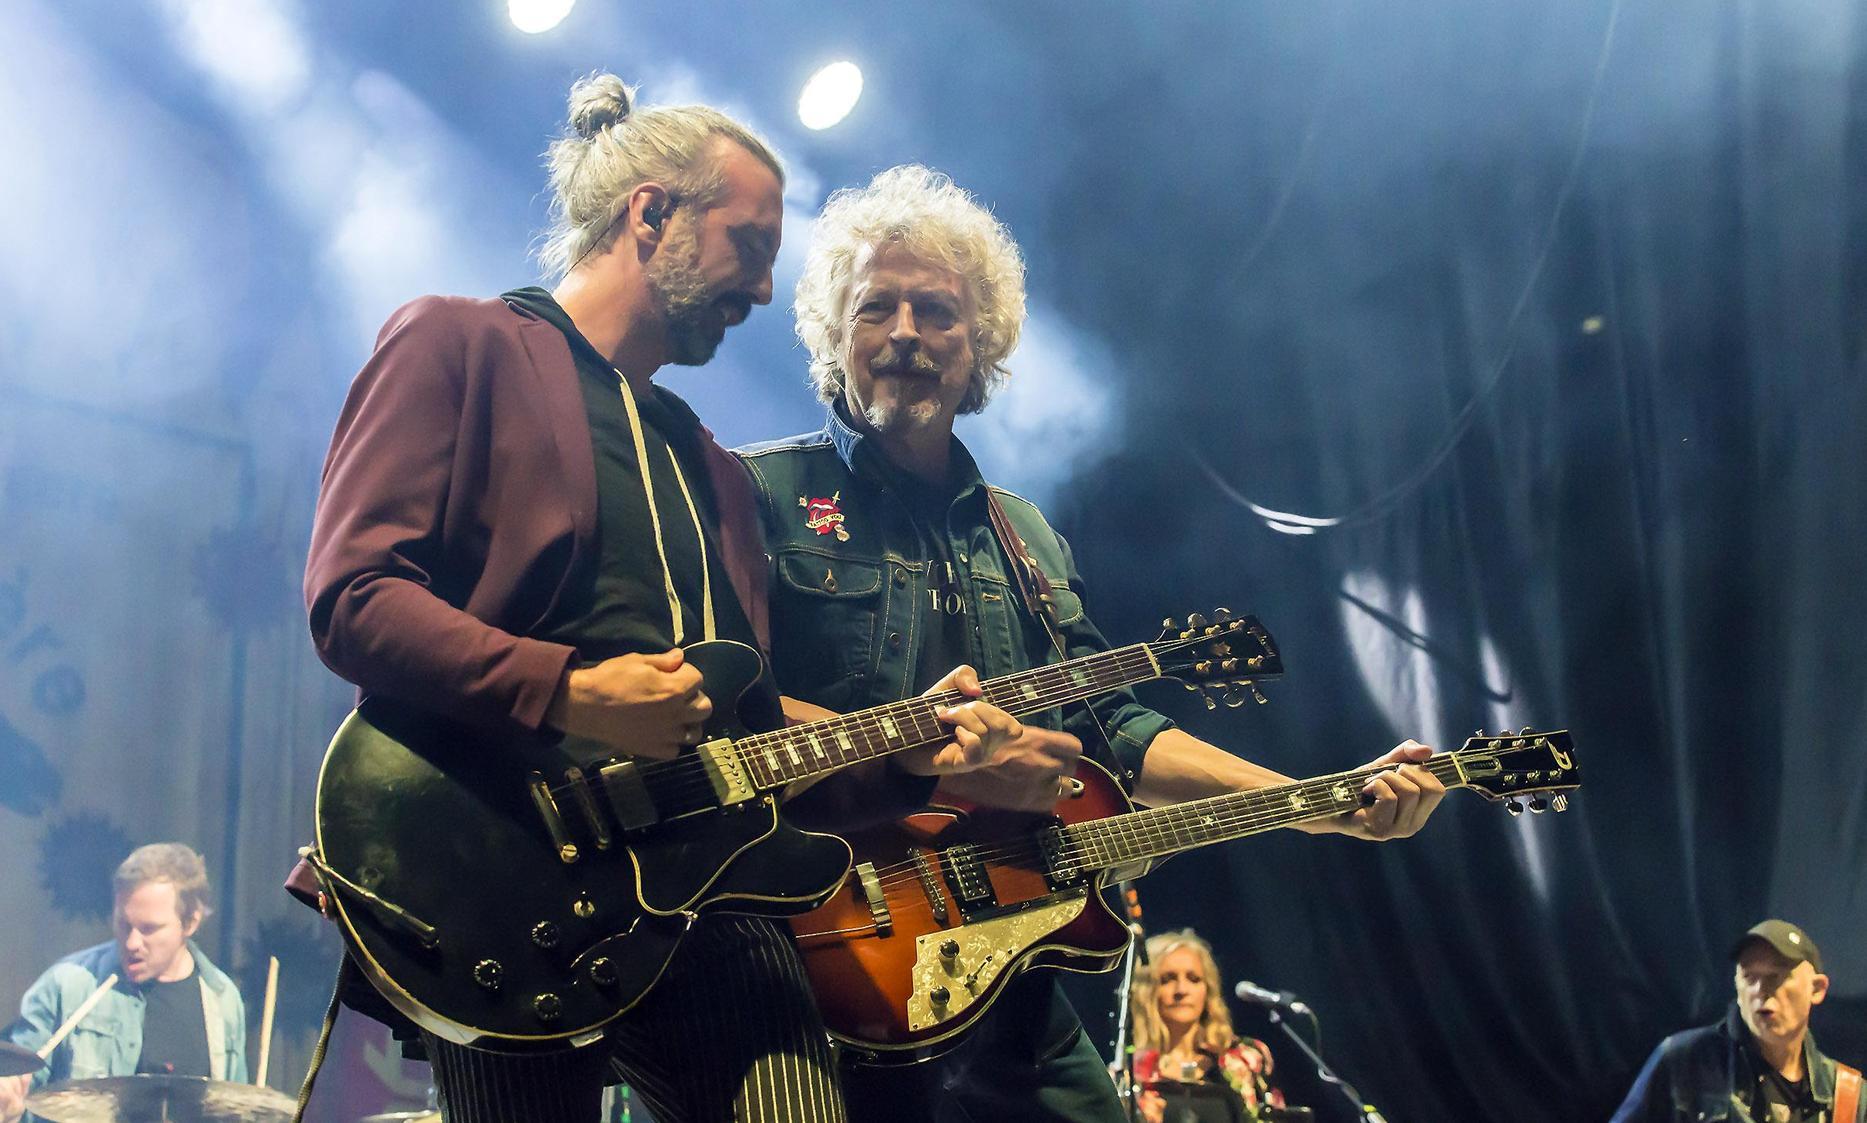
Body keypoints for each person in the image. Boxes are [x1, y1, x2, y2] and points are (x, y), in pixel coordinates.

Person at [299, 77, 1019, 1123]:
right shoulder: (459, 343)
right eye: (750, 246)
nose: (763, 290)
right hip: (495, 880)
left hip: (708, 902)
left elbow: (751, 738)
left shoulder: (713, 468)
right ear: (651, 214)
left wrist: (907, 754)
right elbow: (352, 597)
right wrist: (568, 689)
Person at [735, 164, 1446, 1123]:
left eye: (936, 311)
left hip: (1007, 974)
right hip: (817, 955)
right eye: (876, 307)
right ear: (834, 332)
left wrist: (1312, 805)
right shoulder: (756, 494)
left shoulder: (1026, 537)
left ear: (979, 344)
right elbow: (725, 711)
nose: (905, 332)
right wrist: (919, 759)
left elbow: (1114, 729)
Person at [0, 844, 246, 1123]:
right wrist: (10, 1104)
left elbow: (237, 1109)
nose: (132, 943)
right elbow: (20, 1085)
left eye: (149, 929)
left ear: (190, 923)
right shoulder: (67, 984)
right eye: (124, 924)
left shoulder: (223, 999)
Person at [1611, 919, 1863, 1123]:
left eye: (1776, 976)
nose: (1760, 990)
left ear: (1816, 989)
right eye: (1749, 976)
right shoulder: (1684, 1063)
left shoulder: (1847, 1095)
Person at [1130, 929, 1286, 1123]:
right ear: (1147, 991)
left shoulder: (1247, 1058)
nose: (1182, 990)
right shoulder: (1130, 1073)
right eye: (1168, 979)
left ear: (1208, 989)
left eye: (1193, 979)